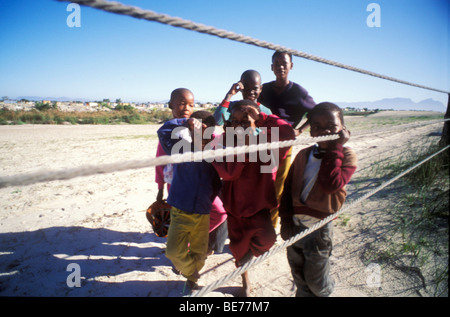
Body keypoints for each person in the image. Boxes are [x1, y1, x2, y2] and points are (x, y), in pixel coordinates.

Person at [212, 100, 295, 296]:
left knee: (267, 241)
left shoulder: (266, 144)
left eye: (245, 120)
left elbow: (289, 134)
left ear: (256, 122)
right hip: (234, 208)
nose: (240, 125)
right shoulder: (226, 145)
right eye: (235, 121)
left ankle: (246, 260)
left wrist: (262, 118)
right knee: (238, 248)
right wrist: (242, 149)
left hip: (259, 206)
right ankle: (245, 278)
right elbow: (228, 174)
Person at [279, 102, 357, 297]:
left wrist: (336, 147)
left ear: (343, 129)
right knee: (298, 274)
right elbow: (287, 189)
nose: (324, 131)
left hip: (320, 228)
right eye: (317, 126)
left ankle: (326, 292)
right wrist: (286, 219)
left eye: (331, 125)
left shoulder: (347, 155)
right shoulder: (303, 155)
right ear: (311, 131)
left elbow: (331, 184)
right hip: (296, 225)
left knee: (316, 281)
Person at [157, 110, 222, 292]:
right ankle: (192, 273)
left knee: (199, 254)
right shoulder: (182, 148)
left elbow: (218, 182)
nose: (205, 136)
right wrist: (186, 121)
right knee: (173, 252)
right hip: (180, 211)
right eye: (201, 130)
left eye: (209, 132)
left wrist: (209, 199)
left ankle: (190, 280)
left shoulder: (213, 155)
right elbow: (163, 131)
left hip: (202, 213)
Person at [258, 51, 317, 227]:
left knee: (277, 186)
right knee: (260, 183)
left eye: (284, 63)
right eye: (276, 63)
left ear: (291, 66)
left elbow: (315, 113)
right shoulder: (264, 90)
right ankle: (257, 223)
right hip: (261, 143)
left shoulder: (299, 92)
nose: (280, 67)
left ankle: (270, 225)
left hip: (284, 144)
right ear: (271, 67)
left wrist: (299, 130)